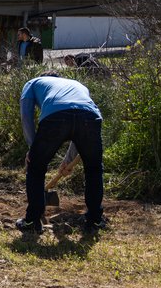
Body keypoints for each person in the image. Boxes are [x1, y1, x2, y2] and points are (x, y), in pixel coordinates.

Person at [16, 73, 106, 233]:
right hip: (90, 118)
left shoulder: (32, 83)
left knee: (36, 168)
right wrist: (68, 160)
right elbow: (77, 119)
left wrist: (32, 148)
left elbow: (26, 115)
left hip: (56, 117)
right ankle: (95, 220)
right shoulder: (77, 85)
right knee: (94, 169)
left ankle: (32, 222)